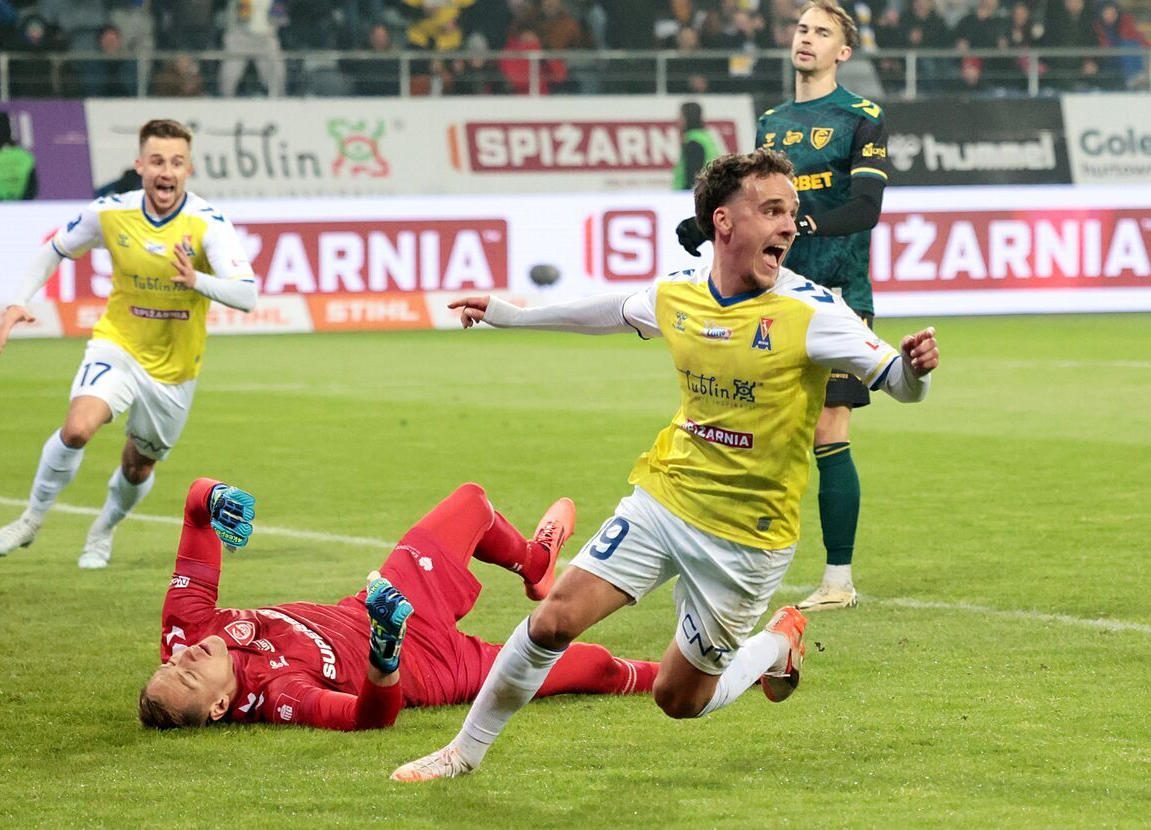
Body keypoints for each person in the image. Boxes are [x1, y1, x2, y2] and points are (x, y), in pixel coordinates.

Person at [389, 147, 940, 781]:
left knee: (678, 699)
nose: (790, 226)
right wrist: (512, 315)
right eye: (772, 210)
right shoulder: (679, 294)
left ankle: (775, 644)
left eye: (791, 212)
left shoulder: (812, 311)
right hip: (665, 498)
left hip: (747, 539)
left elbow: (898, 382)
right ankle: (462, 753)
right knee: (553, 618)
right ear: (724, 221)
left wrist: (917, 371)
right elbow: (610, 311)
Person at [140, 477, 660, 730]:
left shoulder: (187, 629)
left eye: (171, 663)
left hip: (380, 603)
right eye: (189, 676)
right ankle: (699, 676)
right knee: (593, 666)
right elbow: (369, 718)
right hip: (433, 668)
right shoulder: (281, 697)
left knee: (472, 503)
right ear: (219, 707)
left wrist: (214, 497)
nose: (184, 657)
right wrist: (385, 653)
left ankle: (534, 562)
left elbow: (194, 509)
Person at [678, 0, 891, 613]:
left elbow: (866, 208)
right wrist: (705, 225)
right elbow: (748, 202)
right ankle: (724, 557)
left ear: (842, 52)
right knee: (751, 428)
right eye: (802, 28)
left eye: (822, 32)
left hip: (838, 295)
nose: (807, 38)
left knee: (829, 427)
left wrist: (803, 222)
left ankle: (838, 580)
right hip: (772, 296)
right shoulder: (771, 123)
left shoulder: (863, 117)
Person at [0, 119, 259, 570]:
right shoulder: (110, 212)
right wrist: (19, 300)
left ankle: (103, 530)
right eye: (157, 161)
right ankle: (31, 519)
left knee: (137, 467)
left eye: (176, 162)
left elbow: (247, 295)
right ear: (140, 166)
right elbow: (55, 249)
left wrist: (197, 280)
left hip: (174, 369)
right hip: (118, 345)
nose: (166, 171)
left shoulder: (207, 224)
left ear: (189, 169)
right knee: (77, 429)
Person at [672, 101, 720, 191]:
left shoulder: (694, 143)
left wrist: (684, 194)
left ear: (688, 118)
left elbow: (693, 177)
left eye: (680, 117)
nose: (677, 121)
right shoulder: (704, 138)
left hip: (690, 195)